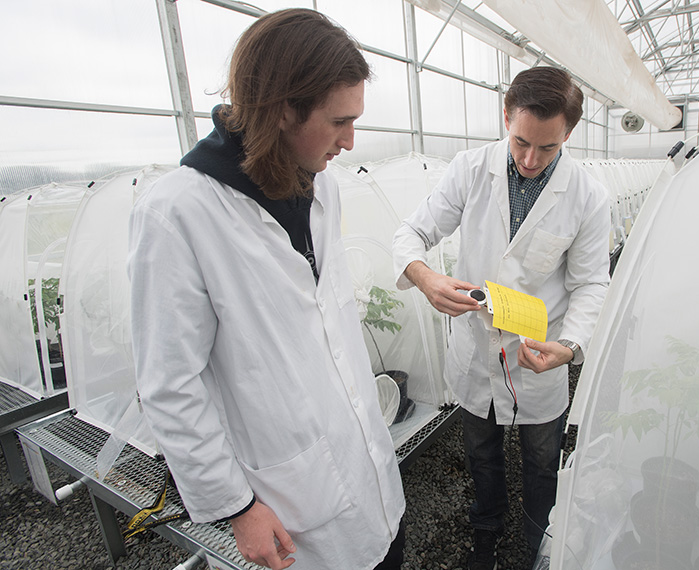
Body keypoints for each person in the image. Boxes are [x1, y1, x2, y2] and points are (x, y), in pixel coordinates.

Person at [127, 9, 404, 570]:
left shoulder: (320, 188)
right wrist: (237, 506)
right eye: (338, 121)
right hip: (293, 509)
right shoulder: (179, 213)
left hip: (368, 469)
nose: (351, 141)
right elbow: (170, 383)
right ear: (283, 109)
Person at [392, 67, 611, 569]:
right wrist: (423, 276)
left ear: (568, 135)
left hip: (538, 357)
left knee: (540, 462)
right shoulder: (471, 170)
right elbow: (412, 234)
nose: (531, 160)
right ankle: (485, 532)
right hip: (474, 354)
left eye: (548, 148)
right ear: (506, 116)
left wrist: (571, 346)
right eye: (520, 143)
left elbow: (590, 284)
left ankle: (537, 543)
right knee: (482, 455)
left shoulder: (587, 197)